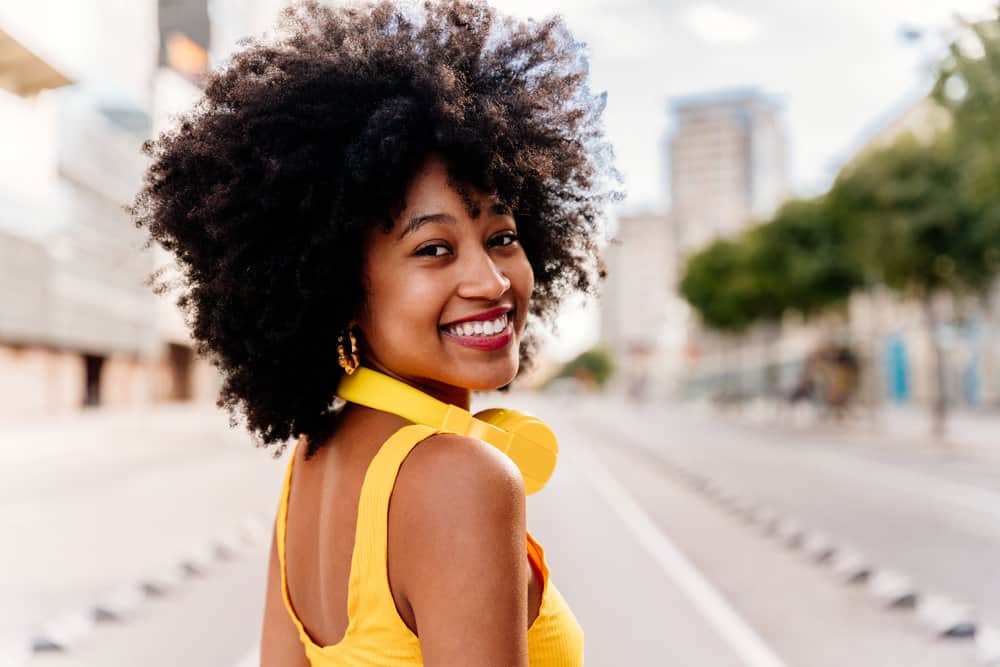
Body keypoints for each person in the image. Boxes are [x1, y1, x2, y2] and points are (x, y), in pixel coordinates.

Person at [128, 0, 618, 664]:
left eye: (502, 237)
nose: (491, 281)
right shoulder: (462, 477)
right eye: (433, 250)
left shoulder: (310, 465)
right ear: (339, 285)